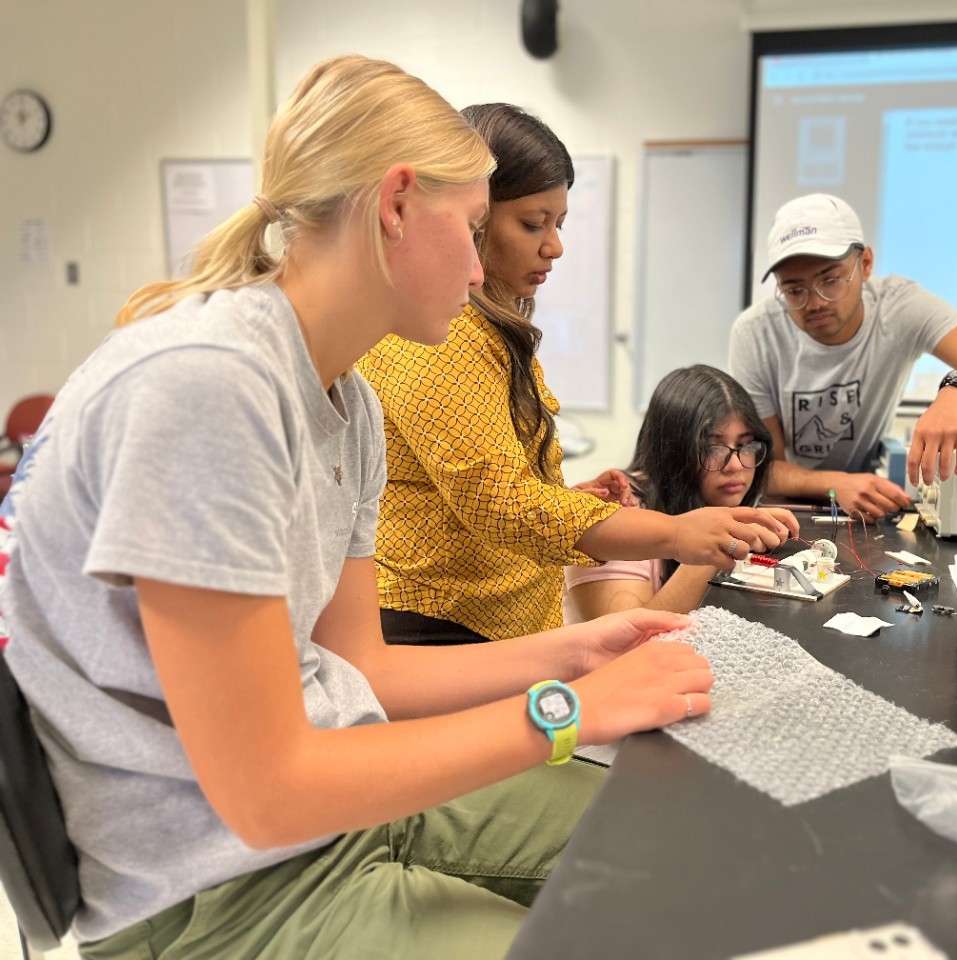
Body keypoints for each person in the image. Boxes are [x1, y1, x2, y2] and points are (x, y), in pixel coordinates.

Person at [0, 55, 736, 959]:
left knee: (678, 847)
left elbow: (364, 669)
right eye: (473, 229)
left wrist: (580, 651)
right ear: (394, 205)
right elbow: (266, 791)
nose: (480, 268)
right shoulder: (204, 388)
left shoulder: (348, 406)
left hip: (332, 803)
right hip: (217, 884)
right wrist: (569, 712)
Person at [357, 104, 788, 646]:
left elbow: (482, 483)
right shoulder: (448, 331)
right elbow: (499, 504)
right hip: (444, 624)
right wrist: (676, 533)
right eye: (534, 224)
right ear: (472, 217)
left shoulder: (486, 326)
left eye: (558, 224)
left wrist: (568, 498)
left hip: (489, 621)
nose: (554, 246)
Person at [728, 193, 957, 521]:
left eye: (830, 281)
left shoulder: (900, 307)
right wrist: (835, 485)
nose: (815, 302)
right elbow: (764, 469)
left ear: (865, 265)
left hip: (875, 503)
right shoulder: (755, 334)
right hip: (793, 507)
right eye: (794, 290)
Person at [564, 365, 797, 623]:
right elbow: (626, 646)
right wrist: (715, 543)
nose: (735, 465)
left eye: (744, 445)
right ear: (671, 453)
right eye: (712, 448)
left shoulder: (725, 496)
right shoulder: (617, 509)